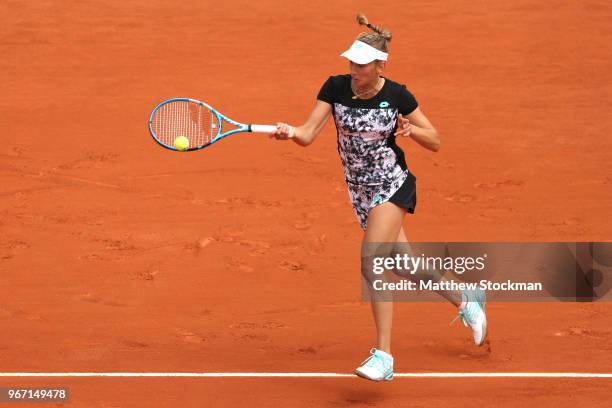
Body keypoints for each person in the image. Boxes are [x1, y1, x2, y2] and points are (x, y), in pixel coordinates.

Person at [272, 13, 487, 381]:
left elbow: (434, 140)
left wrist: (411, 131)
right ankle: (466, 298)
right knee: (405, 265)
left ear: (380, 65)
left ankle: (384, 356)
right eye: (351, 62)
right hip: (359, 190)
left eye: (361, 63)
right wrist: (289, 131)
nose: (353, 68)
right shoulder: (335, 87)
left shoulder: (398, 95)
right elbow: (308, 134)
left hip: (392, 184)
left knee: (373, 262)